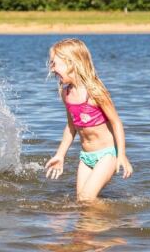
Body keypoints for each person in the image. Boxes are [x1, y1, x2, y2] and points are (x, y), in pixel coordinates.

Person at [45, 38, 133, 202]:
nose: (52, 68)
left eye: (54, 63)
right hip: (86, 157)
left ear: (71, 63)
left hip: (107, 155)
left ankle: (120, 220)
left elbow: (116, 122)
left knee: (87, 198)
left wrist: (121, 155)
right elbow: (71, 127)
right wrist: (60, 155)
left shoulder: (95, 92)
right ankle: (97, 224)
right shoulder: (66, 94)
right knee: (82, 201)